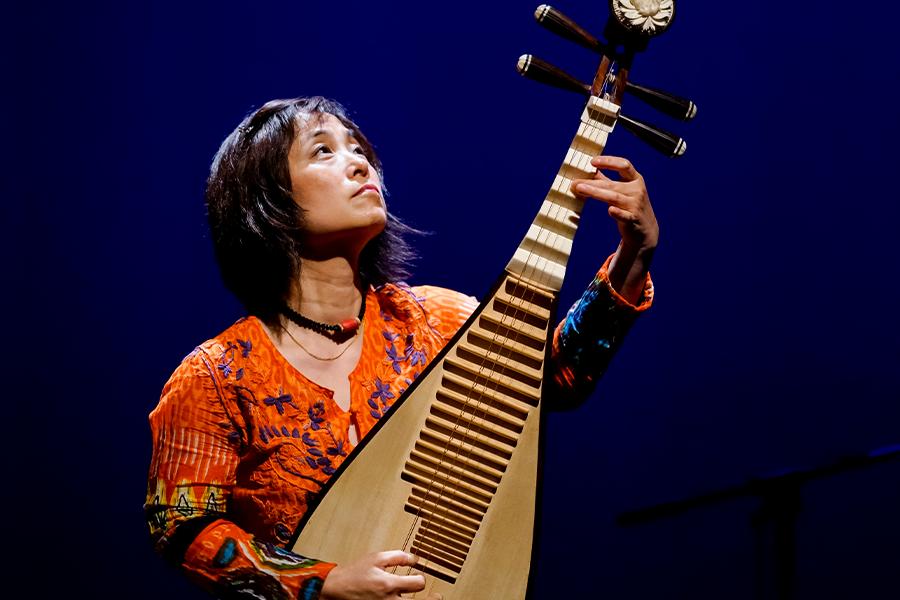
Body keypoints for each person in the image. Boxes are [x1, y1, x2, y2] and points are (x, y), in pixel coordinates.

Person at [144, 96, 657, 600]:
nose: (358, 161)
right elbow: (182, 529)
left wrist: (633, 256)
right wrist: (323, 582)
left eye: (357, 147)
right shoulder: (215, 377)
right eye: (323, 150)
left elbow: (555, 381)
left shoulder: (434, 319)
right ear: (267, 202)